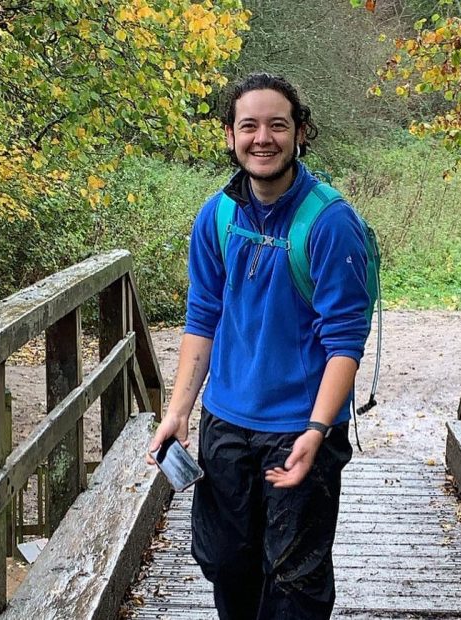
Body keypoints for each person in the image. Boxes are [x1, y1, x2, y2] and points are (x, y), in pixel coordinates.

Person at [147, 73, 372, 619]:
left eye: (278, 124)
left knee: (295, 582)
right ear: (230, 135)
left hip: (299, 424)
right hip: (226, 421)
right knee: (226, 562)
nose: (262, 138)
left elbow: (345, 342)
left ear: (300, 134)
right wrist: (178, 412)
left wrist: (317, 432)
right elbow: (203, 317)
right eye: (249, 125)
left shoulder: (329, 223)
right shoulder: (218, 215)